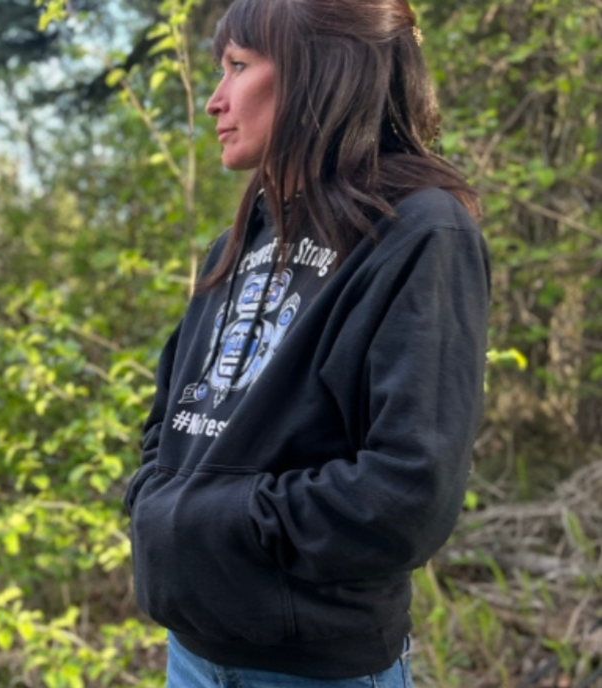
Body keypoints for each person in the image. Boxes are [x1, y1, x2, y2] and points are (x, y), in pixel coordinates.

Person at [121, 0, 489, 685]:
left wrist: (216, 524)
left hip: (315, 670)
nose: (214, 101)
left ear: (316, 72)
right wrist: (157, 505)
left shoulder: (420, 233)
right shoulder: (231, 249)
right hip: (192, 656)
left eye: (238, 67)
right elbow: (168, 429)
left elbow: (409, 491)